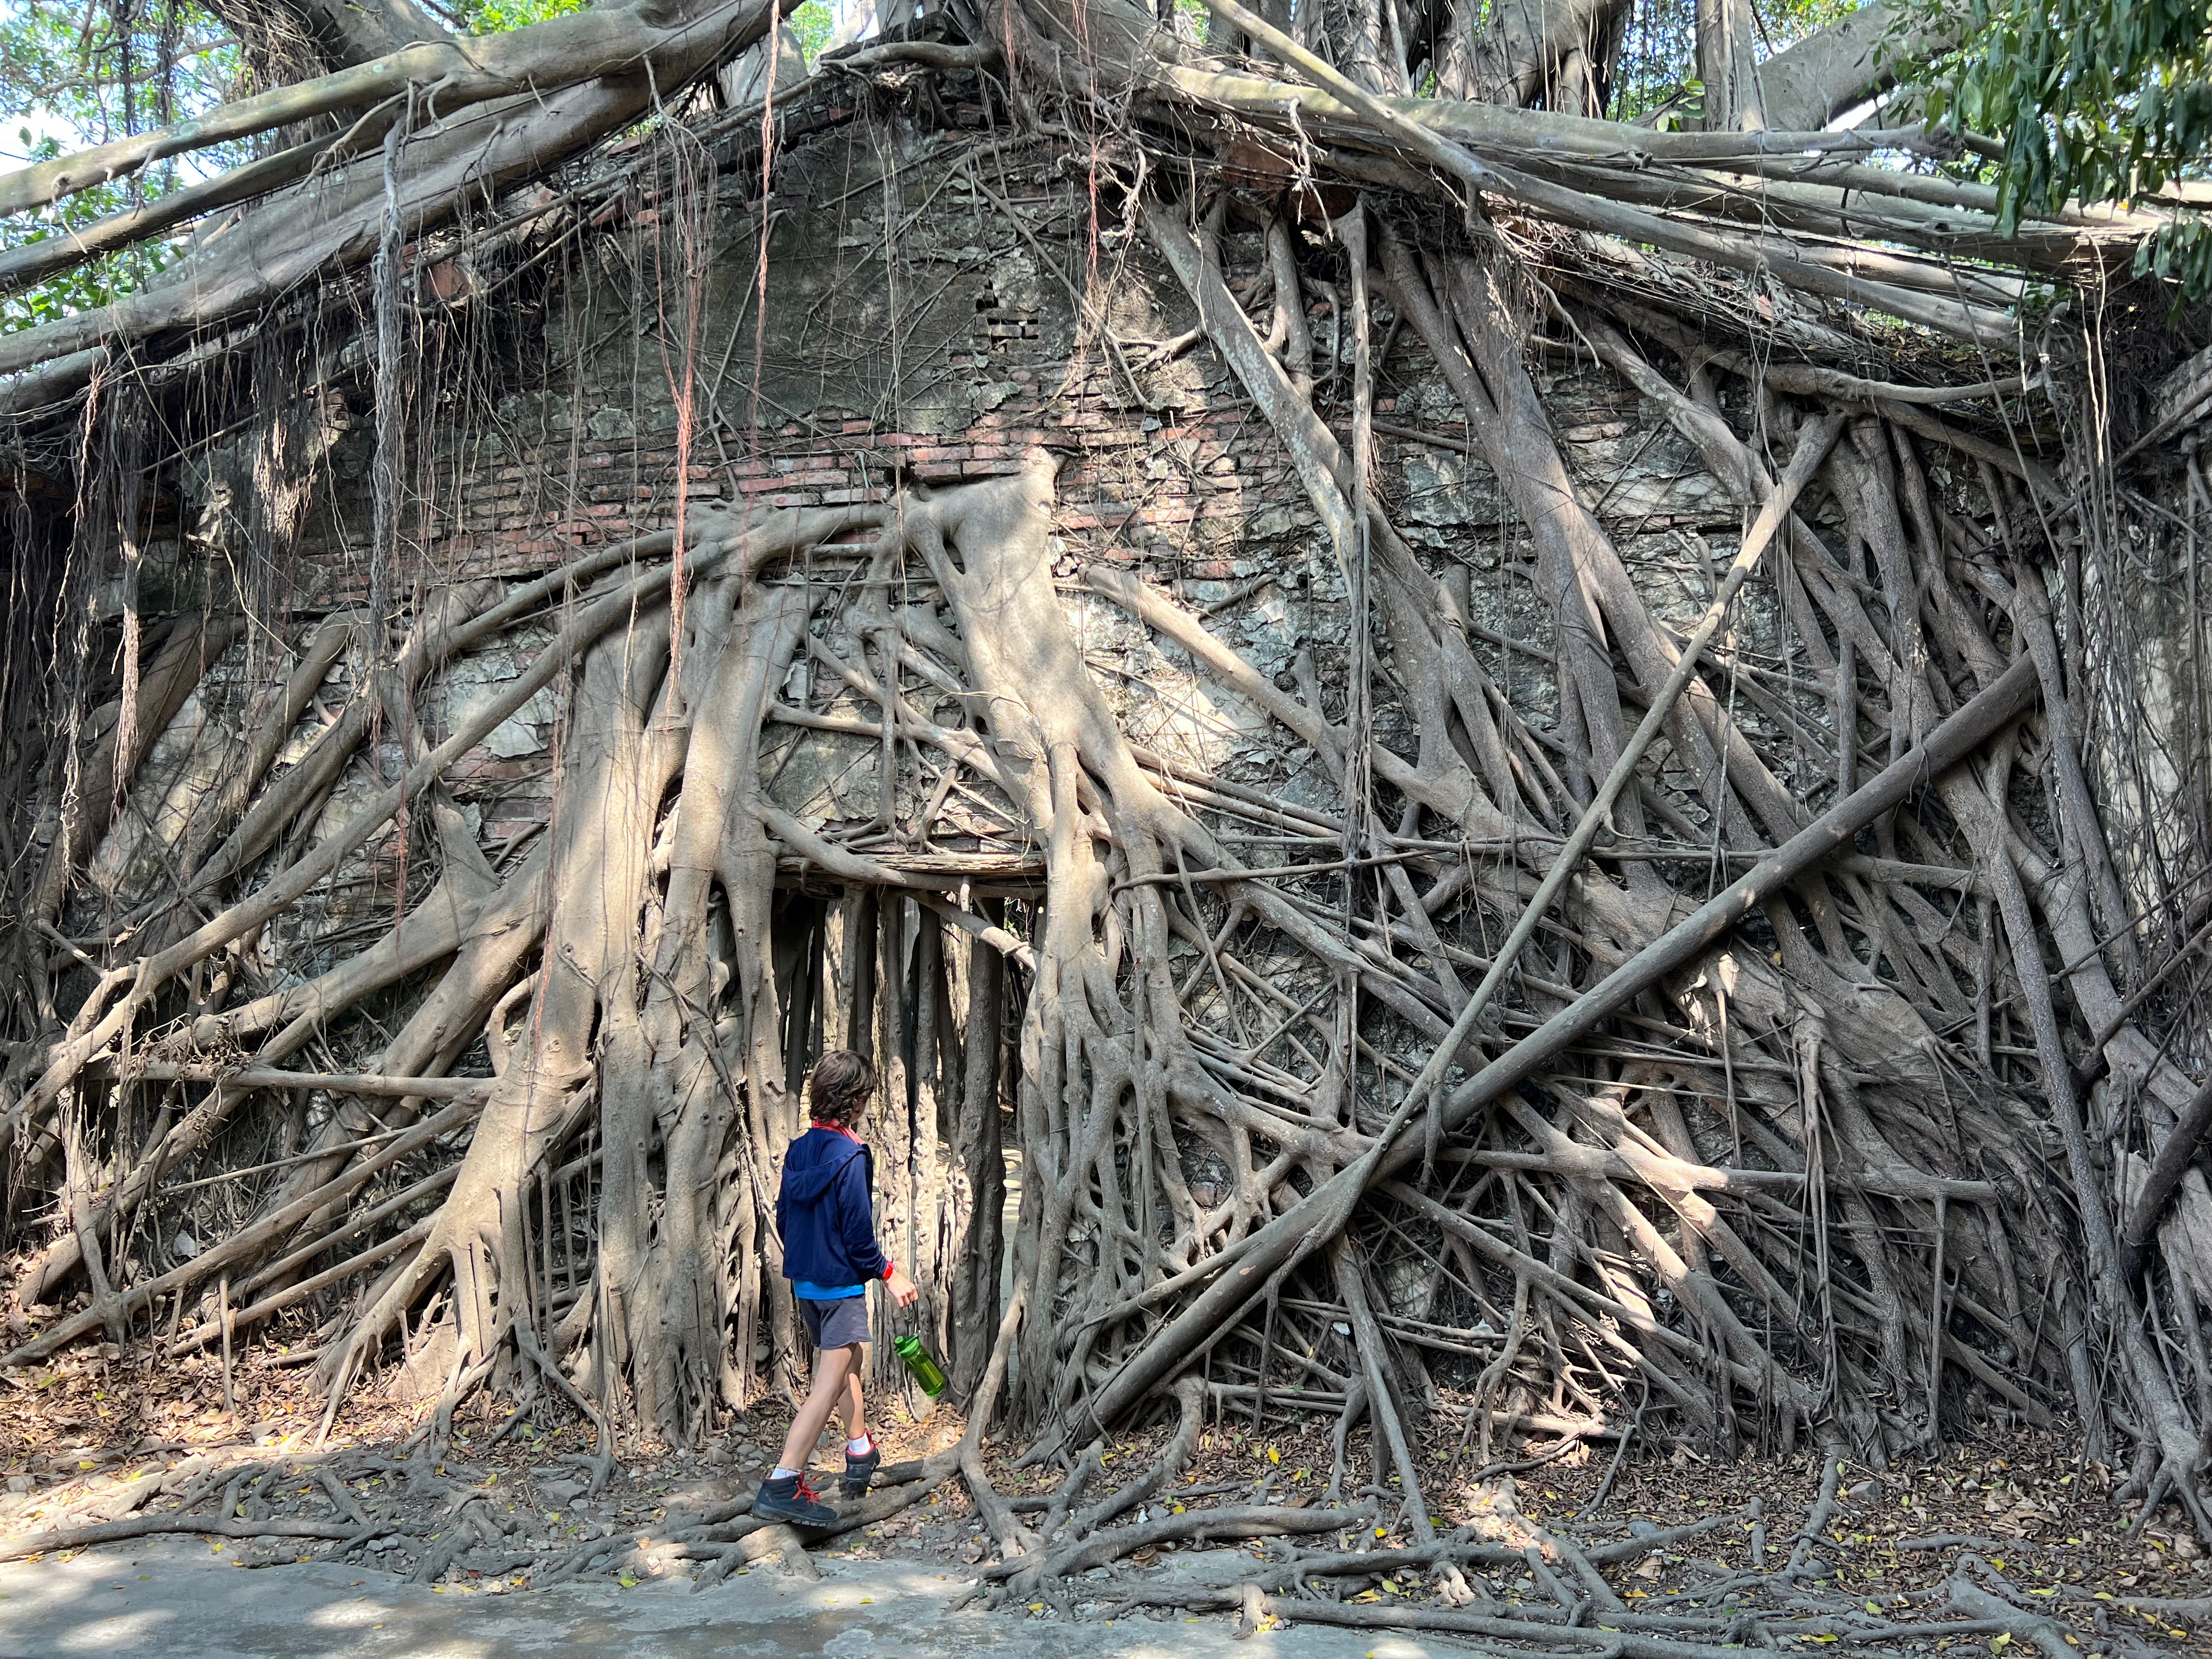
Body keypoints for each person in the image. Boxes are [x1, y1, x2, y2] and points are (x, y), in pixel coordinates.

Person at [754, 1048, 919, 1527]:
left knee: (847, 1362)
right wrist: (889, 1273)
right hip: (840, 1285)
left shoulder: (799, 1149)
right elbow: (858, 1234)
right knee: (827, 1384)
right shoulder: (852, 1155)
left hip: (807, 1284)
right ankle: (783, 1481)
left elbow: (785, 1219)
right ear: (856, 1101)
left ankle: (860, 1447)